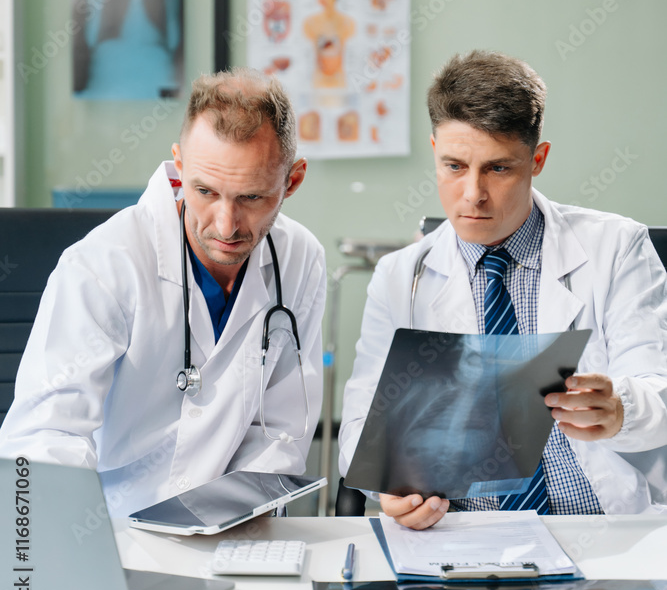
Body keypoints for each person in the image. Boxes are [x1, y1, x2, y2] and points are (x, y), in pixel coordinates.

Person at [339, 50, 667, 526]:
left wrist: (620, 410)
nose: (472, 194)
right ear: (434, 151)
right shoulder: (400, 277)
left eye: (498, 169)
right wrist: (393, 485)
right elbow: (360, 427)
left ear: (538, 160)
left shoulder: (617, 249)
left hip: (598, 523)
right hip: (460, 530)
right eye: (454, 166)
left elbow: (660, 390)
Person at [0, 69, 326, 516]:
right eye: (205, 191)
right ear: (180, 164)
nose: (226, 225)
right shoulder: (104, 264)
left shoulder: (300, 259)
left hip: (233, 525)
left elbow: (281, 428)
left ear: (292, 181)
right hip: (112, 527)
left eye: (251, 198)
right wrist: (79, 543)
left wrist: (242, 515)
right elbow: (45, 435)